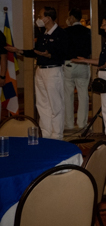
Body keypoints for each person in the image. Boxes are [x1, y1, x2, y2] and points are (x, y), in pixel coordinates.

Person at [7, 7, 67, 139]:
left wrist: (49, 54)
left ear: (48, 18)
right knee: (42, 104)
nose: (38, 19)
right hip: (40, 70)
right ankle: (45, 134)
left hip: (53, 70)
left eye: (40, 16)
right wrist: (19, 51)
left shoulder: (60, 34)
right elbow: (36, 51)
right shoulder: (43, 34)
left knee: (55, 105)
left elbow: (65, 53)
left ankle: (56, 136)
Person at [72, 13, 106, 136]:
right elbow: (102, 62)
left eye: (103, 24)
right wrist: (85, 60)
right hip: (105, 77)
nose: (101, 26)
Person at [63, 7, 92, 130]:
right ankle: (82, 123)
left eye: (69, 17)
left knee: (68, 95)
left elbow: (62, 49)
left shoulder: (66, 32)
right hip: (83, 64)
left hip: (69, 64)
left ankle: (69, 124)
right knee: (83, 95)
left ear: (72, 18)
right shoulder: (88, 32)